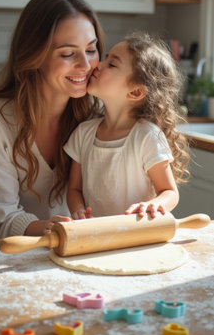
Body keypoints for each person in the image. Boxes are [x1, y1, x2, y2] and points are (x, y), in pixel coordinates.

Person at [0, 0, 104, 240]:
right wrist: (53, 228)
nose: (85, 65)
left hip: (63, 256)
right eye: (67, 53)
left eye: (91, 49)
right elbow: (0, 220)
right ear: (34, 56)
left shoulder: (95, 116)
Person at [65, 32, 190, 220]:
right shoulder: (83, 133)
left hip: (137, 237)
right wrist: (78, 210)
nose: (98, 64)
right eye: (106, 59)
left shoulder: (146, 136)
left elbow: (170, 193)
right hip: (96, 237)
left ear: (135, 91)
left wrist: (153, 204)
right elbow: (74, 189)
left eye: (112, 64)